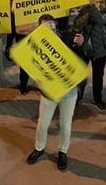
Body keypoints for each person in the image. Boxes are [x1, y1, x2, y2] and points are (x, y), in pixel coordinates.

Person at [25, 15, 81, 170]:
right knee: (43, 124)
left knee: (65, 124)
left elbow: (82, 57)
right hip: (48, 93)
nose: (49, 29)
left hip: (69, 92)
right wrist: (37, 79)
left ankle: (63, 151)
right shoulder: (35, 46)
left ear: (56, 26)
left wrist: (80, 45)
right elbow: (31, 66)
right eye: (44, 26)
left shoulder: (68, 38)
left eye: (51, 25)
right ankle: (39, 148)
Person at [72, 0, 106, 109]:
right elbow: (77, 24)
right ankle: (77, 96)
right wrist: (88, 11)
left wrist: (92, 8)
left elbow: (101, 20)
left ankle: (98, 98)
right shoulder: (85, 9)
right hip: (85, 48)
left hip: (100, 49)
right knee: (80, 74)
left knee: (98, 75)